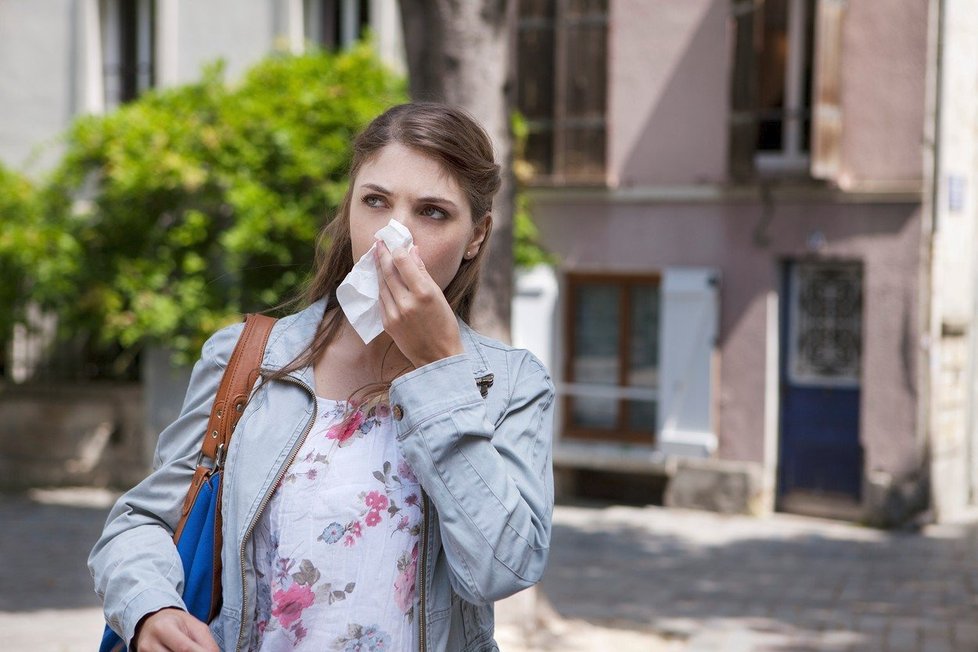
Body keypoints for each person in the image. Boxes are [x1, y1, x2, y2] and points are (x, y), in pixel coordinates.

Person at [89, 102, 555, 652]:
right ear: (350, 207)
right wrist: (150, 609)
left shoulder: (508, 385)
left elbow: (503, 567)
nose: (393, 236)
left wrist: (438, 372)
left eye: (432, 212)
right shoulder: (247, 359)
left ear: (477, 236)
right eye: (375, 202)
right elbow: (141, 521)